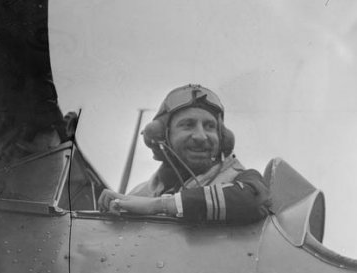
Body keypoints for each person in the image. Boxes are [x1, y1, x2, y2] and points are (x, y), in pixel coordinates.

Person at [98, 84, 270, 224]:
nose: (201, 136)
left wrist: (161, 205)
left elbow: (254, 201)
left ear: (223, 138)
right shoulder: (139, 194)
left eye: (210, 126)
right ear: (162, 136)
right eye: (188, 125)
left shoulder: (244, 180)